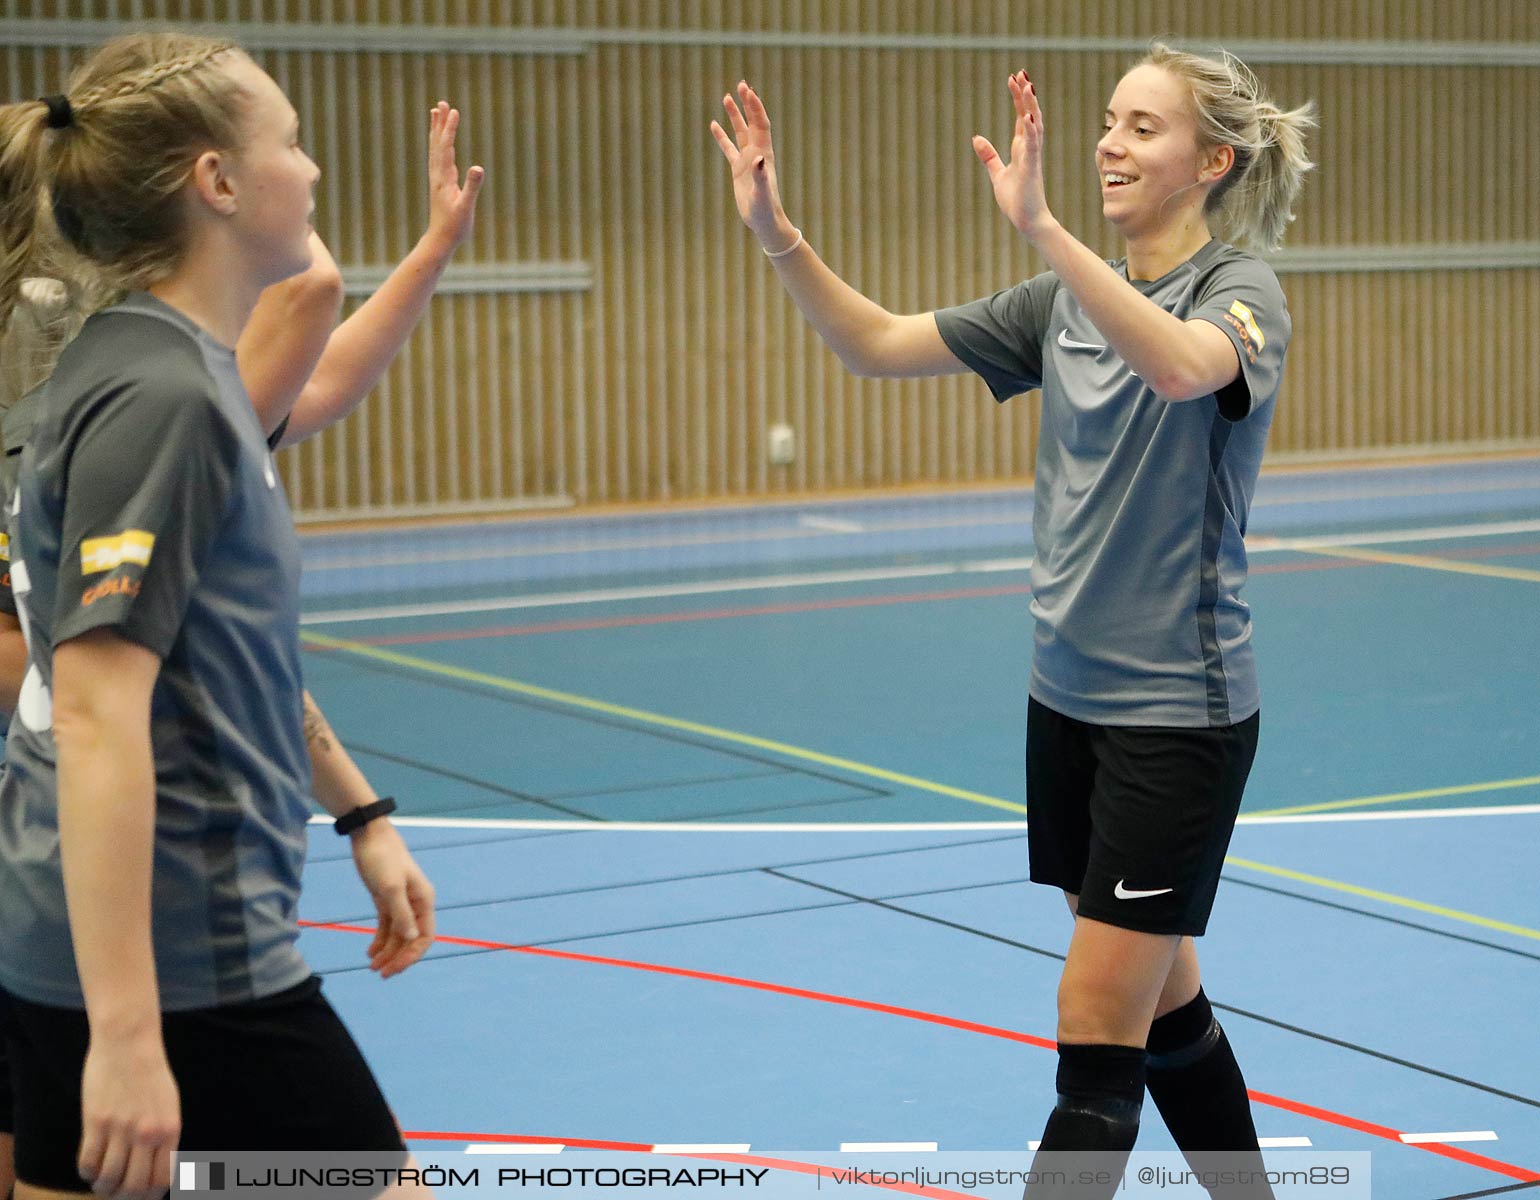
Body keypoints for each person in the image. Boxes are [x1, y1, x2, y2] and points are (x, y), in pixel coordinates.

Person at [712, 42, 1314, 1200]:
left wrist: (1046, 231)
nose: (1109, 142)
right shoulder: (1055, 307)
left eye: (1144, 127)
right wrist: (774, 229)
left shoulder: (1241, 295)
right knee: (1166, 1000)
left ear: (1212, 160)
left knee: (1095, 1044)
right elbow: (873, 343)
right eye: (1108, 120)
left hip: (1172, 722)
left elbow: (1187, 372)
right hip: (1068, 706)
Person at [0, 31, 456, 1200]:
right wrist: (131, 1034)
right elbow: (98, 713)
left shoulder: (162, 375)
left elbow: (216, 660)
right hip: (184, 959)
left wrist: (361, 815)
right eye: (292, 143)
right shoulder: (162, 399)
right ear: (216, 182)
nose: (309, 171)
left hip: (105, 944)